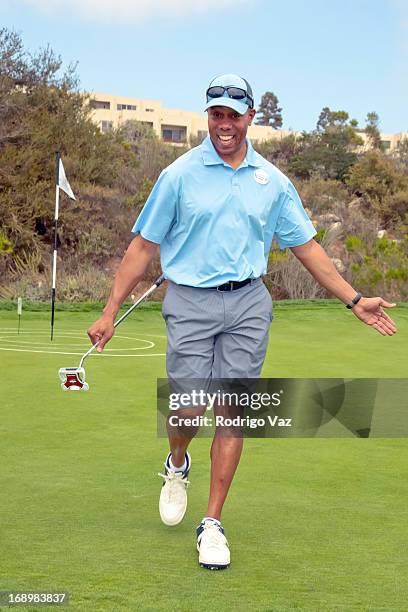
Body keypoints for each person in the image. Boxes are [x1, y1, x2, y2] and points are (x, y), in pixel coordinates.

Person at [87, 74, 397, 571]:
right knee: (187, 412)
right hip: (189, 302)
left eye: (234, 114)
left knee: (233, 411)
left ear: (251, 117)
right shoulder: (179, 174)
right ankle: (177, 463)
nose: (224, 124)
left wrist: (352, 298)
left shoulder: (272, 181)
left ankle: (211, 523)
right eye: (216, 114)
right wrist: (109, 312)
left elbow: (306, 246)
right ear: (207, 116)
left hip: (249, 303)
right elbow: (142, 247)